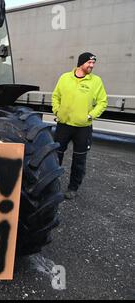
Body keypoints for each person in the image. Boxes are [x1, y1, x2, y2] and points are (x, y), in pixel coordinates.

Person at [52, 52, 108, 199]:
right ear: (81, 63)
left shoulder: (96, 81)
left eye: (93, 63)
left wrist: (90, 115)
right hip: (63, 125)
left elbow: (103, 102)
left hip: (83, 128)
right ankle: (51, 185)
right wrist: (57, 110)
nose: (92, 66)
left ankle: (73, 188)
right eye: (89, 62)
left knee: (79, 160)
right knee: (55, 156)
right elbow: (56, 96)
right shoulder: (65, 78)